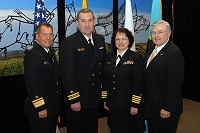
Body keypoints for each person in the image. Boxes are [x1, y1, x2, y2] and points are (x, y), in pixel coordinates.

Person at [59, 8, 106, 133]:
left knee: (91, 129)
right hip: (78, 100)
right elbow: (67, 74)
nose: (87, 24)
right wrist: (74, 99)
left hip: (94, 98)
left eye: (90, 20)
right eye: (83, 21)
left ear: (94, 22)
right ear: (77, 23)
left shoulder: (100, 39)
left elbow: (102, 69)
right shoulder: (69, 42)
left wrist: (104, 95)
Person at [143, 20, 185, 133]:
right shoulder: (153, 48)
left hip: (164, 109)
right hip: (152, 106)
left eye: (160, 32)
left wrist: (167, 107)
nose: (156, 36)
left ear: (168, 34)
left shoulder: (174, 53)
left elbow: (175, 84)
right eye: (153, 32)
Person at [102, 28, 145, 133]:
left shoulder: (136, 58)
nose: (120, 42)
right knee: (114, 128)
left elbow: (139, 83)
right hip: (112, 103)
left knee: (128, 129)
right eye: (117, 39)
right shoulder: (108, 58)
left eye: (123, 39)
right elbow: (105, 81)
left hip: (128, 104)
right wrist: (105, 99)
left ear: (129, 41)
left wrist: (135, 104)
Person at [23, 23, 61, 133]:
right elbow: (32, 84)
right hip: (40, 110)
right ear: (37, 37)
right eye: (44, 35)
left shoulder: (49, 52)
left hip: (51, 107)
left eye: (50, 35)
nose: (48, 38)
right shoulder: (33, 55)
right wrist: (40, 107)